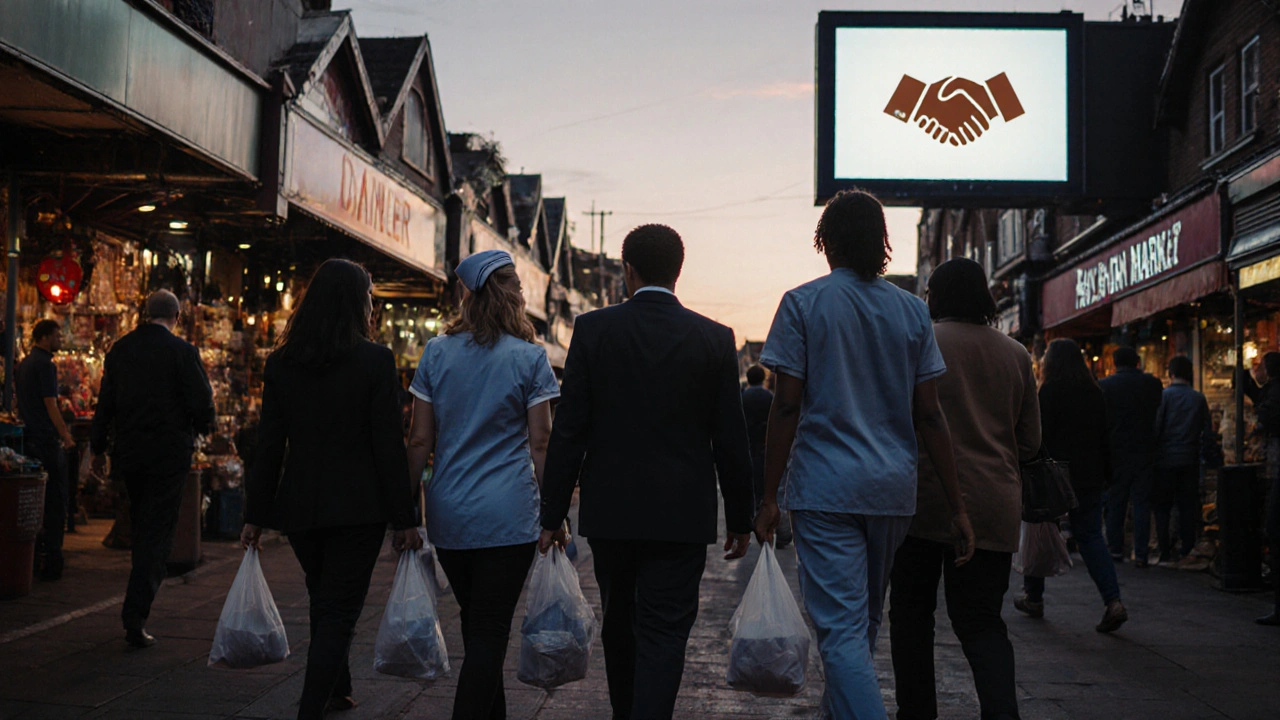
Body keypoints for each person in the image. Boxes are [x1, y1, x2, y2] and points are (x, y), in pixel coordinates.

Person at [754, 189, 975, 720]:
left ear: (825, 241)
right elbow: (931, 416)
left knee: (841, 632)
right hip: (891, 492)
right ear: (881, 243)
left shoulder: (803, 303)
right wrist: (958, 506)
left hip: (825, 489)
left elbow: (786, 406)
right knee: (862, 626)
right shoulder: (911, 311)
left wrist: (768, 496)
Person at [539, 224, 754, 720]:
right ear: (678, 271)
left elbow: (569, 429)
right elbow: (731, 437)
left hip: (612, 511)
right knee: (665, 630)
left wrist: (552, 514)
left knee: (619, 622)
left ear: (627, 270)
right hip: (682, 514)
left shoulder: (594, 330)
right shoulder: (714, 338)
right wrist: (741, 517)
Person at [241, 260, 421, 720]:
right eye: (370, 297)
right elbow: (387, 445)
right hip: (359, 509)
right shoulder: (375, 361)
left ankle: (338, 688)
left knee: (324, 597)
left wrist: (255, 514)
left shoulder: (282, 363)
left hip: (301, 506)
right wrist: (405, 519)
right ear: (358, 303)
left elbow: (270, 445)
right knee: (339, 609)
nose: (373, 305)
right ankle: (311, 707)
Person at [406, 250, 560, 720]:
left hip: (449, 512)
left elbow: (419, 439)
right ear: (504, 292)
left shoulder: (436, 352)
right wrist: (554, 514)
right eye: (517, 285)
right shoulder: (530, 358)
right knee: (490, 630)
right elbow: (541, 443)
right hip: (508, 515)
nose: (522, 293)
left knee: (476, 626)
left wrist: (404, 512)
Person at [888, 258, 1039, 720]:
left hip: (922, 501)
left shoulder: (918, 341)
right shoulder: (1016, 354)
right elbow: (1031, 442)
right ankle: (1002, 713)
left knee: (911, 618)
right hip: (993, 504)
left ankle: (918, 713)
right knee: (981, 621)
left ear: (934, 296)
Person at [90, 291, 215, 647]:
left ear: (145, 314)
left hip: (131, 453)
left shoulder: (120, 350)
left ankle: (136, 603)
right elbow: (202, 401)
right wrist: (202, 427)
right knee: (157, 533)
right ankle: (135, 614)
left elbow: (105, 403)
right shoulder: (182, 352)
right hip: (168, 455)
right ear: (177, 316)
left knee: (142, 522)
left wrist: (97, 447)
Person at [1015, 338, 1128, 633]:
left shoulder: (1049, 391)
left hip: (1053, 475)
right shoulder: (1094, 392)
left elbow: (1039, 435)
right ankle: (1113, 600)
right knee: (1090, 535)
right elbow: (1105, 436)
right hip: (1090, 476)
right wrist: (1108, 473)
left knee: (1041, 529)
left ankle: (1034, 596)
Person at [17, 319, 76, 581]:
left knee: (36, 502)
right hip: (46, 440)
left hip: (29, 438)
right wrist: (66, 435)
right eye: (56, 336)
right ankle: (52, 559)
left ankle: (34, 557)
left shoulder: (24, 364)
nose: (60, 340)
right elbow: (51, 404)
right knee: (55, 502)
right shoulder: (45, 365)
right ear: (43, 338)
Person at [1099, 346, 1164, 566]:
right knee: (1141, 503)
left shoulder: (1105, 386)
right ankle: (1141, 552)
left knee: (1116, 502)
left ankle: (1115, 549)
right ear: (1137, 361)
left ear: (1115, 363)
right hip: (1145, 450)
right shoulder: (1152, 384)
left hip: (1115, 451)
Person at [1152, 355, 1213, 567]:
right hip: (1190, 458)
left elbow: (1156, 427)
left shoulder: (1164, 396)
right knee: (1187, 506)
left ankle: (1164, 551)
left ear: (1171, 373)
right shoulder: (1198, 398)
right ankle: (1187, 548)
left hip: (1165, 459)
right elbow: (1207, 431)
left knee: (1163, 507)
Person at [1241, 352, 1280, 626]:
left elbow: (1267, 413)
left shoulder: (1274, 393)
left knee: (1274, 529)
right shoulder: (1271, 391)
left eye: (1261, 366)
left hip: (1277, 465)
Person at [742, 365, 791, 547]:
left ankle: (756, 523)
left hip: (750, 448)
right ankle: (779, 531)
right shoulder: (770, 397)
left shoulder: (743, 397)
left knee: (754, 488)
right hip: (767, 448)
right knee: (772, 489)